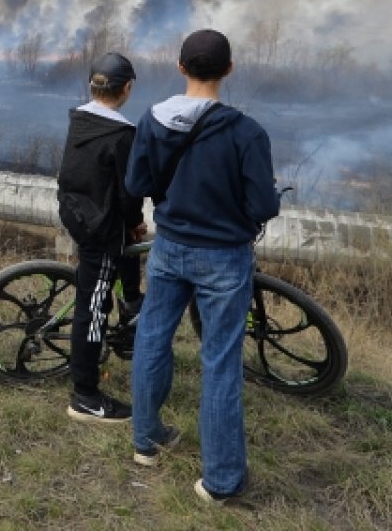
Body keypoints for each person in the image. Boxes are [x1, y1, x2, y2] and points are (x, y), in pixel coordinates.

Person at [125, 29, 281, 505]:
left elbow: (137, 182)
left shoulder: (152, 120)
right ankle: (220, 481)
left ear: (180, 67)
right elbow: (263, 205)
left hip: (169, 246)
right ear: (229, 69)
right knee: (220, 361)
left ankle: (146, 442)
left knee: (153, 335)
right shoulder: (247, 132)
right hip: (224, 258)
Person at [56, 52, 147, 423]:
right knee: (92, 310)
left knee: (127, 253)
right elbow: (128, 192)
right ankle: (85, 396)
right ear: (126, 88)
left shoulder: (80, 119)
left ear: (93, 86)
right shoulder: (122, 135)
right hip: (99, 227)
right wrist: (135, 221)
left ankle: (131, 301)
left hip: (76, 211)